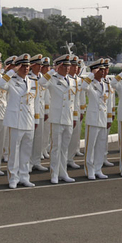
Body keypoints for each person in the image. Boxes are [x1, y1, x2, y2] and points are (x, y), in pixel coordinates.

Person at [0, 54, 40, 188]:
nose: (26, 68)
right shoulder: (11, 80)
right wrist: (12, 70)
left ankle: (24, 176)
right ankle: (13, 178)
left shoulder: (33, 81)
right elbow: (0, 83)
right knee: (13, 152)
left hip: (28, 120)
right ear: (18, 66)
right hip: (15, 121)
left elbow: (36, 102)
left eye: (28, 66)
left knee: (26, 152)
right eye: (23, 66)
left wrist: (36, 119)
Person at [39, 54, 78, 183]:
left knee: (64, 148)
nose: (67, 68)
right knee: (56, 147)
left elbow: (74, 101)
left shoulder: (72, 81)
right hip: (56, 118)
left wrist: (75, 117)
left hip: (68, 118)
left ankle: (63, 172)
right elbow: (41, 83)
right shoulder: (52, 79)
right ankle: (54, 174)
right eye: (64, 66)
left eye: (68, 65)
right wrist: (52, 70)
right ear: (59, 66)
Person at [81, 59, 113, 179]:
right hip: (93, 118)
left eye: (104, 69)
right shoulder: (90, 83)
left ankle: (98, 169)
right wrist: (91, 74)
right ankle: (89, 170)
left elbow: (107, 102)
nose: (103, 72)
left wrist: (109, 118)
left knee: (100, 145)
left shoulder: (105, 84)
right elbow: (83, 87)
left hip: (103, 119)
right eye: (101, 70)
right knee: (90, 146)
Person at [28, 54, 49, 172]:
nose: (41, 67)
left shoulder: (42, 78)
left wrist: (46, 110)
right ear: (33, 65)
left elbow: (45, 95)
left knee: (39, 138)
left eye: (41, 65)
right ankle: (29, 162)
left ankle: (36, 161)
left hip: (40, 111)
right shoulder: (29, 77)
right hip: (30, 112)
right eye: (39, 64)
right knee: (30, 138)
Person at [67, 56, 85, 169]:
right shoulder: (65, 79)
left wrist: (82, 110)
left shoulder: (79, 80)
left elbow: (80, 97)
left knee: (75, 136)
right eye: (73, 66)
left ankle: (70, 158)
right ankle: (64, 159)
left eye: (77, 66)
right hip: (67, 111)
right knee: (66, 137)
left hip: (76, 111)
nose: (75, 68)